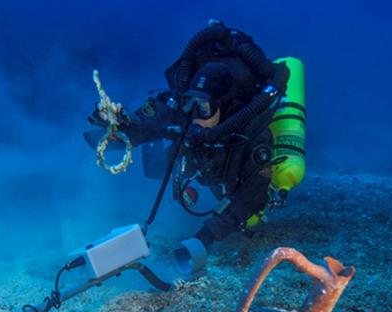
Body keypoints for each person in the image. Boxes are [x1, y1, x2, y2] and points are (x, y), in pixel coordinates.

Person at [87, 20, 305, 273]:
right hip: (205, 161)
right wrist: (115, 127)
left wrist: (206, 237)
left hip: (234, 173)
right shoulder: (188, 108)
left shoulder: (252, 131)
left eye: (204, 107)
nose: (195, 115)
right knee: (156, 166)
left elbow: (251, 197)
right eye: (192, 104)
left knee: (251, 217)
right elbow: (148, 125)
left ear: (224, 105)